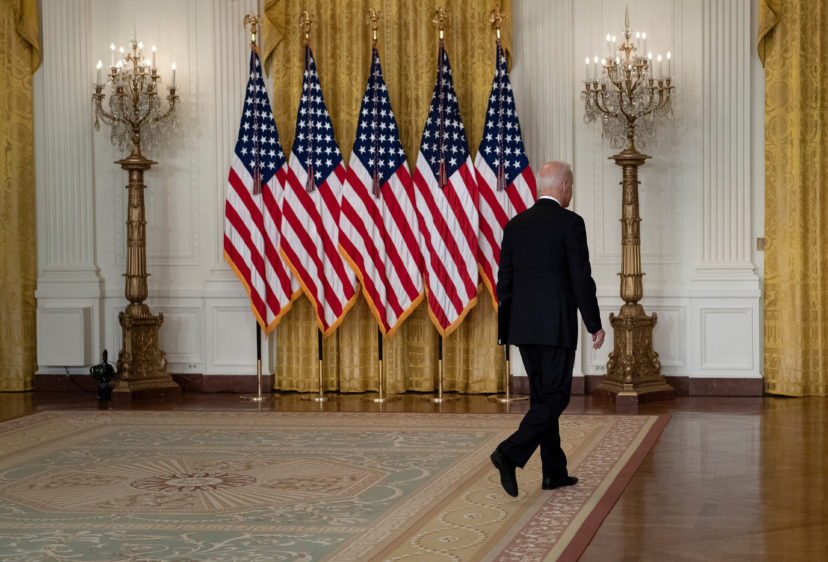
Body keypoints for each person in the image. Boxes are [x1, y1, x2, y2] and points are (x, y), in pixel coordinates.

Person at [491, 161, 605, 498]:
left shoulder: (514, 225)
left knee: (543, 397)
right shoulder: (571, 223)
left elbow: (504, 283)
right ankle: (509, 453)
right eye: (572, 186)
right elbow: (581, 278)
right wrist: (594, 323)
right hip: (556, 327)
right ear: (565, 185)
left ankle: (553, 472)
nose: (572, 192)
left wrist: (509, 326)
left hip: (523, 327)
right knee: (556, 397)